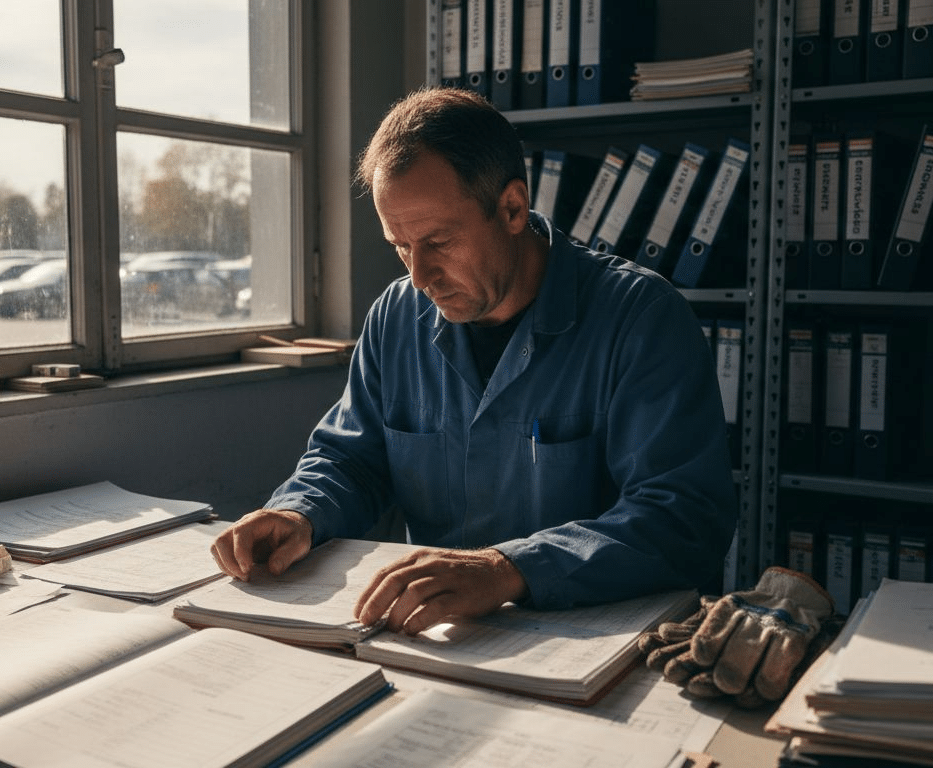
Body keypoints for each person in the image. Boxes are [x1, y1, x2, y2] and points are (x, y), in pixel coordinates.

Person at [211, 86, 737, 637]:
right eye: (400, 245)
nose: (419, 276)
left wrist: (509, 570)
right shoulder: (397, 316)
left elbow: (682, 520)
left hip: (593, 642)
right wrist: (300, 511)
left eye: (439, 241)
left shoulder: (641, 319)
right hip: (435, 637)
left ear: (512, 208)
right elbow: (352, 459)